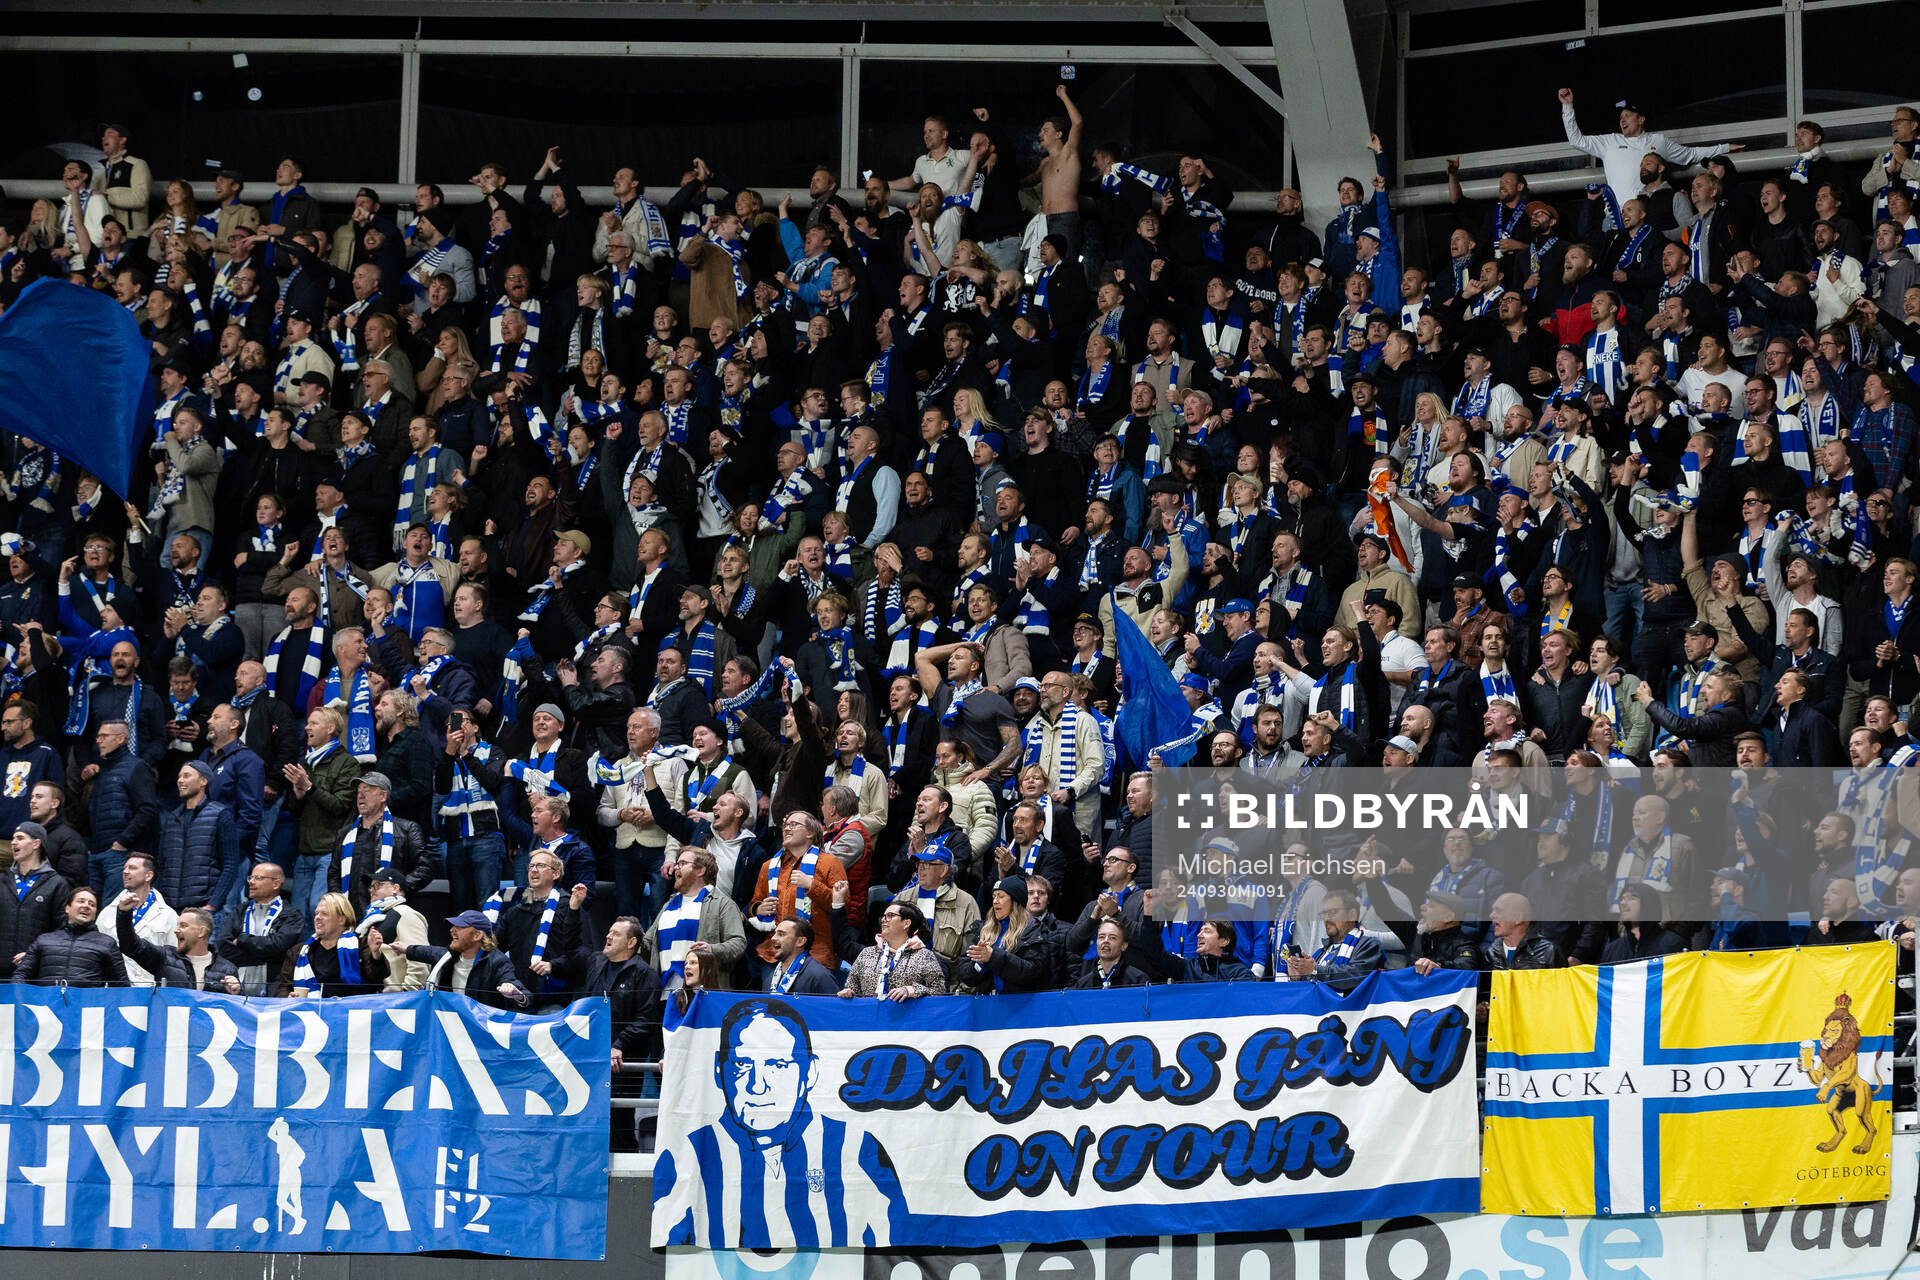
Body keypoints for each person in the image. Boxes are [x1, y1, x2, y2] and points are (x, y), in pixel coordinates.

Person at [410, 910, 533, 1009]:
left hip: (481, 1029)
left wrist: (516, 994)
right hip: (451, 1023)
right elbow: (427, 952)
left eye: (460, 926)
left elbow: (525, 996)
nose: (452, 930)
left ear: (477, 935)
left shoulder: (498, 962)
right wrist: (404, 949)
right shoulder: (450, 956)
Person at [114, 898, 240, 992]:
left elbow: (239, 1010)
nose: (176, 930)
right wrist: (124, 914)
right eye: (177, 925)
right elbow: (130, 945)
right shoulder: (164, 957)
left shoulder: (227, 969)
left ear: (201, 932)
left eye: (183, 926)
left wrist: (237, 992)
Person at [12, 887, 126, 986]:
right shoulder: (44, 940)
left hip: (88, 1008)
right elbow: (20, 975)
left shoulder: (107, 943)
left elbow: (122, 985)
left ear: (95, 914)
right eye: (81, 901)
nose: (86, 906)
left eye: (92, 904)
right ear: (67, 908)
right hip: (45, 1008)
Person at [839, 900, 947, 999]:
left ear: (906, 923)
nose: (883, 920)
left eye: (890, 915)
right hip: (872, 1018)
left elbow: (940, 991)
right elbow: (852, 987)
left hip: (908, 1018)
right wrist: (849, 993)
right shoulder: (867, 953)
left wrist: (912, 990)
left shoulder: (924, 956)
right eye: (884, 916)